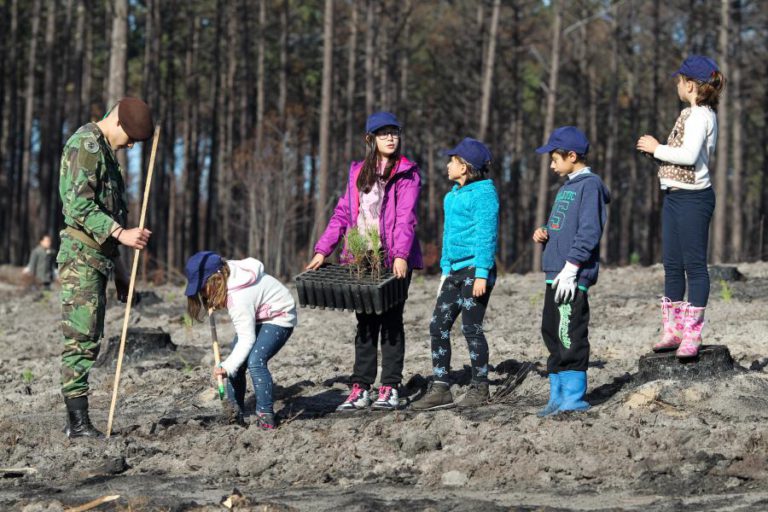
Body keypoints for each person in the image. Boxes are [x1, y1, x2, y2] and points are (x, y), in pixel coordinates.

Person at [307, 111, 422, 411]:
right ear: (370, 139)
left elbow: (405, 219)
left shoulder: (408, 172)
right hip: (362, 257)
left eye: (394, 132)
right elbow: (344, 214)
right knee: (366, 323)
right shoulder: (358, 172)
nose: (390, 137)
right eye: (383, 133)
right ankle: (360, 387)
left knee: (392, 321)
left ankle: (391, 387)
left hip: (393, 257)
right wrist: (323, 250)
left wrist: (400, 256)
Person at [57, 97, 154, 438]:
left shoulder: (108, 155)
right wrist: (121, 234)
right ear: (117, 122)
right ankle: (77, 424)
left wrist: (122, 273)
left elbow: (112, 213)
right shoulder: (85, 146)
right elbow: (77, 204)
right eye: (130, 137)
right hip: (80, 258)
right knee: (81, 339)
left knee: (92, 337)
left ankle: (78, 420)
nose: (130, 145)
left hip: (99, 259)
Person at [636, 56, 725, 359]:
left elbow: (688, 156)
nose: (677, 85)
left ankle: (692, 334)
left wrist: (656, 147)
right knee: (672, 265)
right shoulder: (690, 113)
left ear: (690, 85)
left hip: (694, 199)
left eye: (678, 81)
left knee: (694, 267)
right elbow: (681, 157)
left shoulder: (701, 115)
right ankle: (672, 331)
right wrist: (659, 155)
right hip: (675, 198)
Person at [411, 138, 499, 411]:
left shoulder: (485, 194)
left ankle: (480, 386)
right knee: (438, 326)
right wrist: (445, 271)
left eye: (452, 161)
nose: (447, 165)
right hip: (455, 271)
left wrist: (483, 272)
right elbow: (448, 236)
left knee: (471, 328)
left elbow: (487, 234)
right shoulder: (451, 196)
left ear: (465, 166)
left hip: (476, 269)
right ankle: (440, 387)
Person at [532, 126, 610, 416]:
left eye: (555, 158)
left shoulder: (590, 186)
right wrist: (545, 233)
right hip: (555, 273)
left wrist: (573, 267)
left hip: (571, 275)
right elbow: (563, 227)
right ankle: (557, 394)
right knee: (551, 331)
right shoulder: (567, 187)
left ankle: (574, 397)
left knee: (569, 333)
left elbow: (589, 230)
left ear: (572, 155)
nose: (552, 165)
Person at [185, 251, 296, 430]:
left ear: (216, 280)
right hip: (258, 315)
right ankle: (234, 413)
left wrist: (226, 367)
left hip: (279, 316)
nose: (203, 296)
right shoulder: (226, 271)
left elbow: (247, 338)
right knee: (236, 364)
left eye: (202, 289)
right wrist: (230, 366)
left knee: (255, 361)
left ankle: (265, 415)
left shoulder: (238, 297)